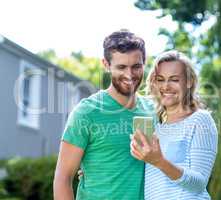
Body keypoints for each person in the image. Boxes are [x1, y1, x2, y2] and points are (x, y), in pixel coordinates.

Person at [53, 29, 154, 200]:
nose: (129, 75)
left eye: (136, 66)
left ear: (144, 63)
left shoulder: (154, 111)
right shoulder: (87, 112)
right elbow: (63, 178)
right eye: (121, 67)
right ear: (106, 65)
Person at [130, 50, 218, 200]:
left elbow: (199, 183)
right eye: (160, 79)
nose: (166, 86)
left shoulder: (201, 120)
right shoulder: (156, 128)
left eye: (174, 80)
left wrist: (160, 162)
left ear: (189, 81)